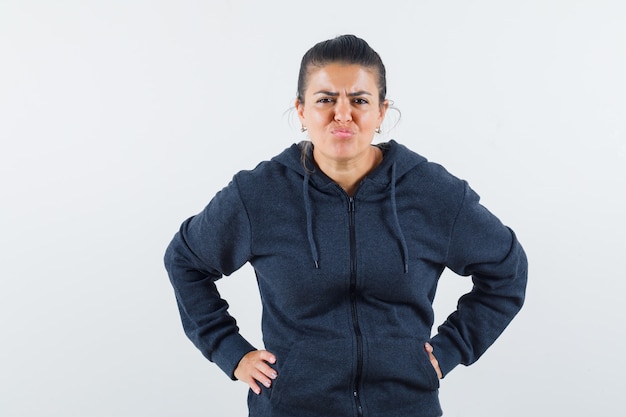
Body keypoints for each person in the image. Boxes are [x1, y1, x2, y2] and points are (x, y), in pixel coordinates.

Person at [164, 34, 528, 417]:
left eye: (359, 100)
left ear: (381, 111)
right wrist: (230, 352)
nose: (342, 114)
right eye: (325, 100)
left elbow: (507, 269)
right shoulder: (259, 195)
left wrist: (452, 348)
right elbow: (186, 261)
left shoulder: (431, 192)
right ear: (301, 111)